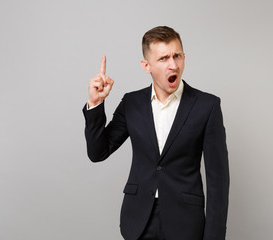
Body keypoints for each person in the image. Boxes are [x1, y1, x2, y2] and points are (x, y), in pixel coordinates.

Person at [82, 26, 229, 240]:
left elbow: (218, 181)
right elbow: (98, 152)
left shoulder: (207, 106)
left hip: (185, 224)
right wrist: (95, 104)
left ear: (184, 58)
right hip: (138, 221)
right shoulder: (132, 103)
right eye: (163, 58)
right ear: (146, 66)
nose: (173, 65)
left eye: (177, 56)